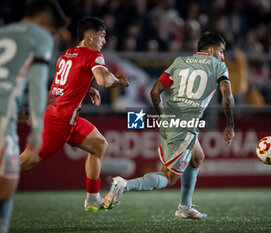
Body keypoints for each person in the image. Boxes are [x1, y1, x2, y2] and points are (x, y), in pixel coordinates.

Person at [103, 32, 235, 220]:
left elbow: (155, 91)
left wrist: (164, 115)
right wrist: (230, 125)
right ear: (211, 50)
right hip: (185, 124)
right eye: (221, 51)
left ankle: (185, 207)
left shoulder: (180, 62)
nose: (222, 56)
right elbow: (227, 96)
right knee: (169, 177)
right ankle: (124, 185)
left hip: (172, 118)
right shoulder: (219, 66)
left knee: (197, 158)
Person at [19, 16, 129, 213]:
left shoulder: (68, 53)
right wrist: (118, 81)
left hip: (67, 117)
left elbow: (67, 81)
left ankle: (93, 199)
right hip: (59, 121)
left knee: (98, 145)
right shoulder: (93, 55)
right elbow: (104, 81)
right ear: (89, 36)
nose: (104, 41)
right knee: (25, 163)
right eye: (102, 36)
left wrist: (87, 89)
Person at [0, 1, 67, 232]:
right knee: (4, 190)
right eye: (51, 31)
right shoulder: (40, 37)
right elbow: (38, 83)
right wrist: (37, 126)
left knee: (2, 185)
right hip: (0, 115)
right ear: (42, 23)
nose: (51, 37)